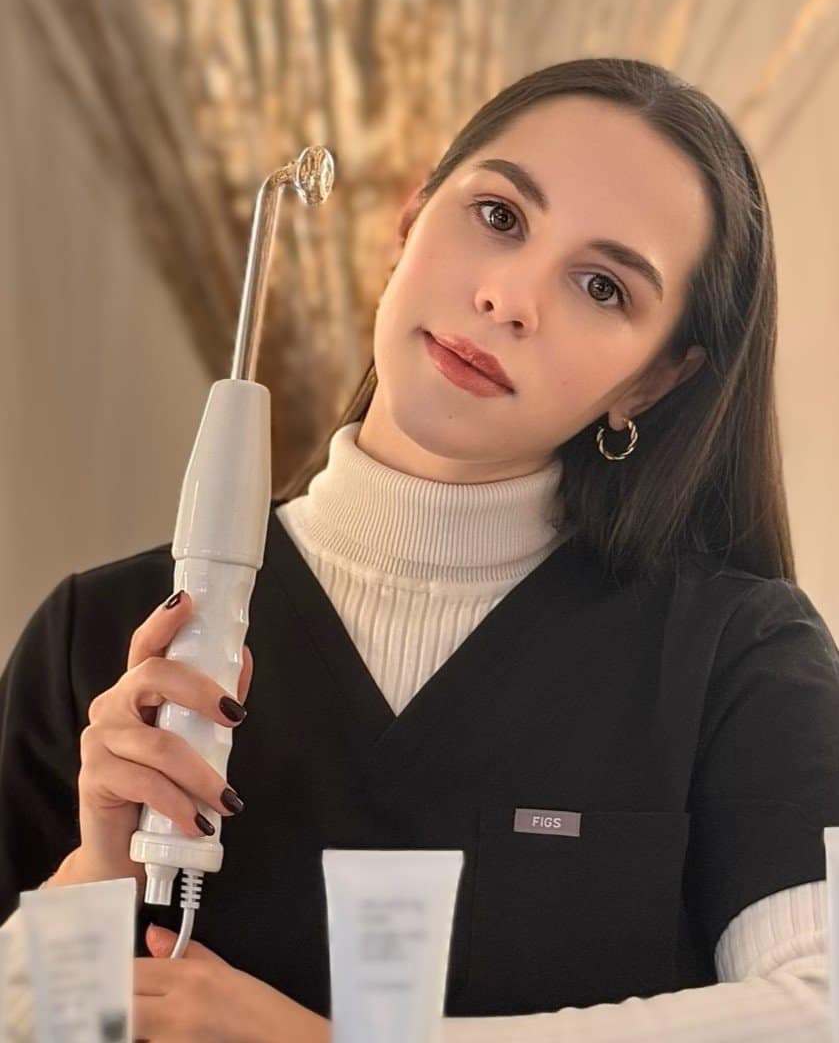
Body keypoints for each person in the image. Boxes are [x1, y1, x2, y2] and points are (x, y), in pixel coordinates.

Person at [2, 57, 838, 1041]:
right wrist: (96, 869)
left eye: (601, 286)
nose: (509, 297)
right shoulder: (97, 635)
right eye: (498, 215)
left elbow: (815, 1006)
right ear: (409, 216)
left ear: (651, 381)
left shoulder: (731, 658)